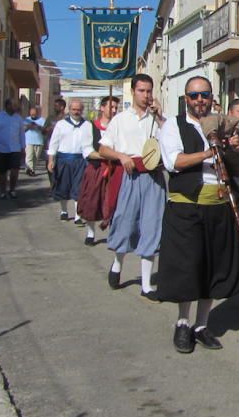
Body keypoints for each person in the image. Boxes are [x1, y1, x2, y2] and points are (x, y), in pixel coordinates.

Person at [157, 77, 239, 353]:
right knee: (189, 268)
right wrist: (208, 152)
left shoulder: (222, 124)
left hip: (220, 204)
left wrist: (236, 145)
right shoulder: (174, 126)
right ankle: (182, 323)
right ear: (186, 98)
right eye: (194, 95)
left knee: (214, 267)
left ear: (211, 97)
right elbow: (174, 162)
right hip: (186, 206)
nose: (199, 100)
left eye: (204, 95)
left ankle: (201, 325)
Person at [99, 74, 166, 301]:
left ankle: (147, 285)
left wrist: (160, 117)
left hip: (154, 178)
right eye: (142, 91)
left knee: (152, 226)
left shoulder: (156, 119)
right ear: (133, 92)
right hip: (130, 176)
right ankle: (118, 264)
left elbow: (171, 142)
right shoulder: (120, 120)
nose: (146, 95)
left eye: (149, 91)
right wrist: (120, 156)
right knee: (126, 223)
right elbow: (103, 149)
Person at [77, 95, 119, 245]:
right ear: (102, 108)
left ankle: (113, 232)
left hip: (115, 169)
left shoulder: (118, 126)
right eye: (111, 107)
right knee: (92, 201)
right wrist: (105, 155)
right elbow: (87, 150)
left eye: (116, 108)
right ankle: (91, 232)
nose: (114, 110)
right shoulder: (91, 126)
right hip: (96, 169)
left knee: (113, 201)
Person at [47, 98, 90, 223]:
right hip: (63, 160)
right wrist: (51, 160)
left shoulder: (87, 125)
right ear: (69, 110)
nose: (76, 112)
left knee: (79, 188)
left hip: (80, 161)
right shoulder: (61, 124)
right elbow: (53, 143)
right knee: (63, 187)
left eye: (79, 110)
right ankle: (64, 211)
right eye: (74, 109)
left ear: (82, 110)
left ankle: (78, 216)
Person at [0, 98, 25, 199]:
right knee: (2, 171)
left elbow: (22, 134)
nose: (16, 107)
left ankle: (12, 189)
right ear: (8, 106)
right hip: (1, 149)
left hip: (15, 149)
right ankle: (2, 191)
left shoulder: (18, 118)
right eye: (14, 105)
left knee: (14, 170)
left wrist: (23, 147)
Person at [44, 97, 66, 188]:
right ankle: (52, 185)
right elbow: (43, 130)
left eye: (56, 106)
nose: (54, 107)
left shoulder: (67, 118)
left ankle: (59, 185)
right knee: (49, 167)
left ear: (62, 107)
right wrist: (48, 129)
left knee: (61, 167)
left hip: (63, 147)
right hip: (50, 146)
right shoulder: (50, 118)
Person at [23, 106, 46, 175]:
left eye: (34, 114)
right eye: (31, 114)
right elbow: (22, 130)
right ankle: (31, 170)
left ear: (37, 113)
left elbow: (45, 131)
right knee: (29, 156)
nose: (33, 115)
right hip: (28, 141)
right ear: (29, 113)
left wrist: (38, 126)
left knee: (36, 157)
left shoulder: (42, 120)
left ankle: (29, 169)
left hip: (39, 142)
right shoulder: (26, 120)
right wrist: (28, 126)